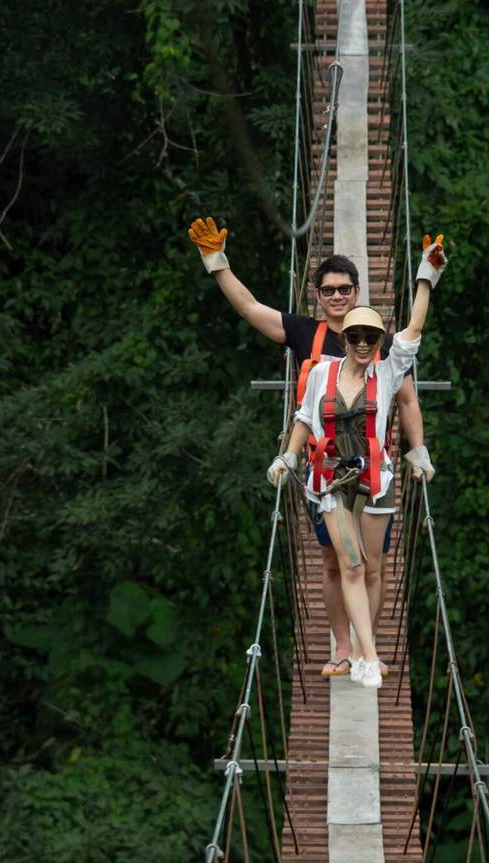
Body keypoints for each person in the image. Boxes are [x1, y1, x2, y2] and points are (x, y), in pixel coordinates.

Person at [188, 217, 436, 678]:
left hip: (373, 470)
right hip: (323, 471)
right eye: (328, 290)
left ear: (357, 293)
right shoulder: (306, 336)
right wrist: (216, 261)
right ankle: (343, 647)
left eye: (344, 289)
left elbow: (406, 397)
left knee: (372, 565)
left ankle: (366, 647)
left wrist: (417, 449)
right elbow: (250, 309)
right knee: (335, 561)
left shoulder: (378, 342)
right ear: (317, 296)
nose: (337, 296)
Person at [267, 234, 446, 688]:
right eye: (356, 336)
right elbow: (305, 417)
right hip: (330, 483)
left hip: (374, 481)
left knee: (371, 565)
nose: (363, 343)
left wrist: (426, 277)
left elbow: (414, 330)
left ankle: (367, 653)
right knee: (350, 565)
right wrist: (288, 456)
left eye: (371, 337)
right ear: (344, 338)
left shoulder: (387, 371)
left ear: (379, 340)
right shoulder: (322, 372)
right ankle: (365, 656)